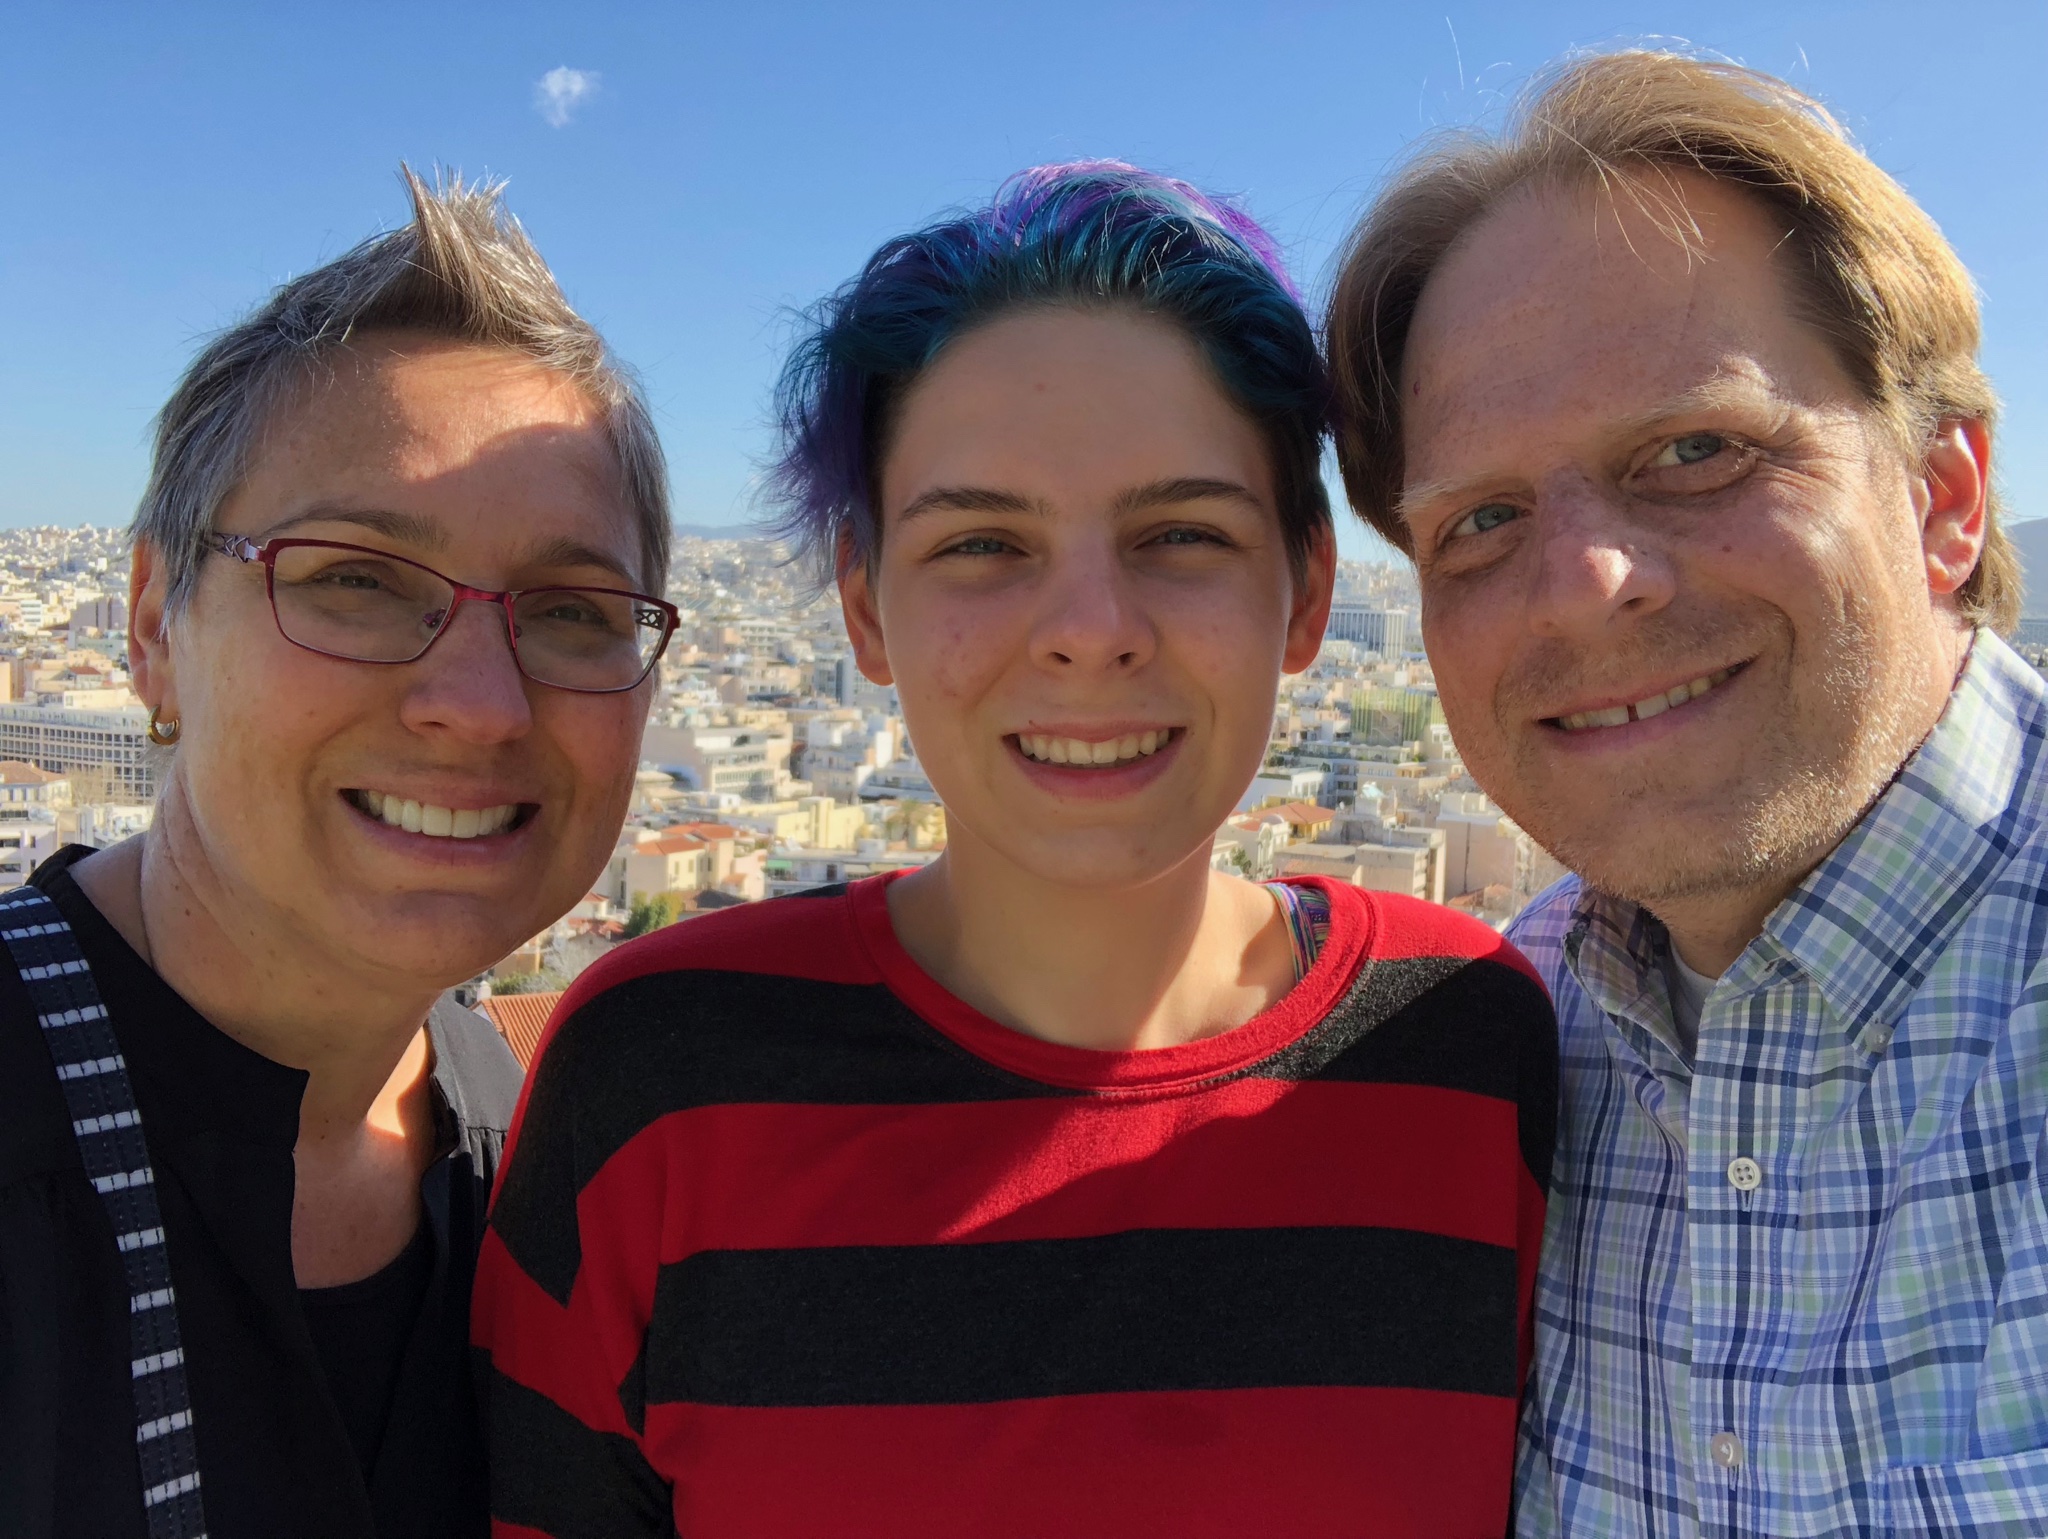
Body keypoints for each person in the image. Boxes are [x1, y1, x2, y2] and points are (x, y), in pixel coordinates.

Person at [474, 161, 1557, 1537]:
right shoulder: (658, 1080)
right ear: (866, 615)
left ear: (1307, 597)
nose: (1089, 627)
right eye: (984, 543)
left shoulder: (1469, 1049)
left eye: (1181, 534)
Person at [1326, 49, 2038, 1538]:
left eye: (1698, 451)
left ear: (1947, 497)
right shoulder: (1482, 1061)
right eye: (1484, 520)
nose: (1587, 586)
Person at [0, 172, 678, 1538]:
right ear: (150, 626)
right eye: (354, 578)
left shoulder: (543, 1156)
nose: (478, 702)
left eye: (571, 610)